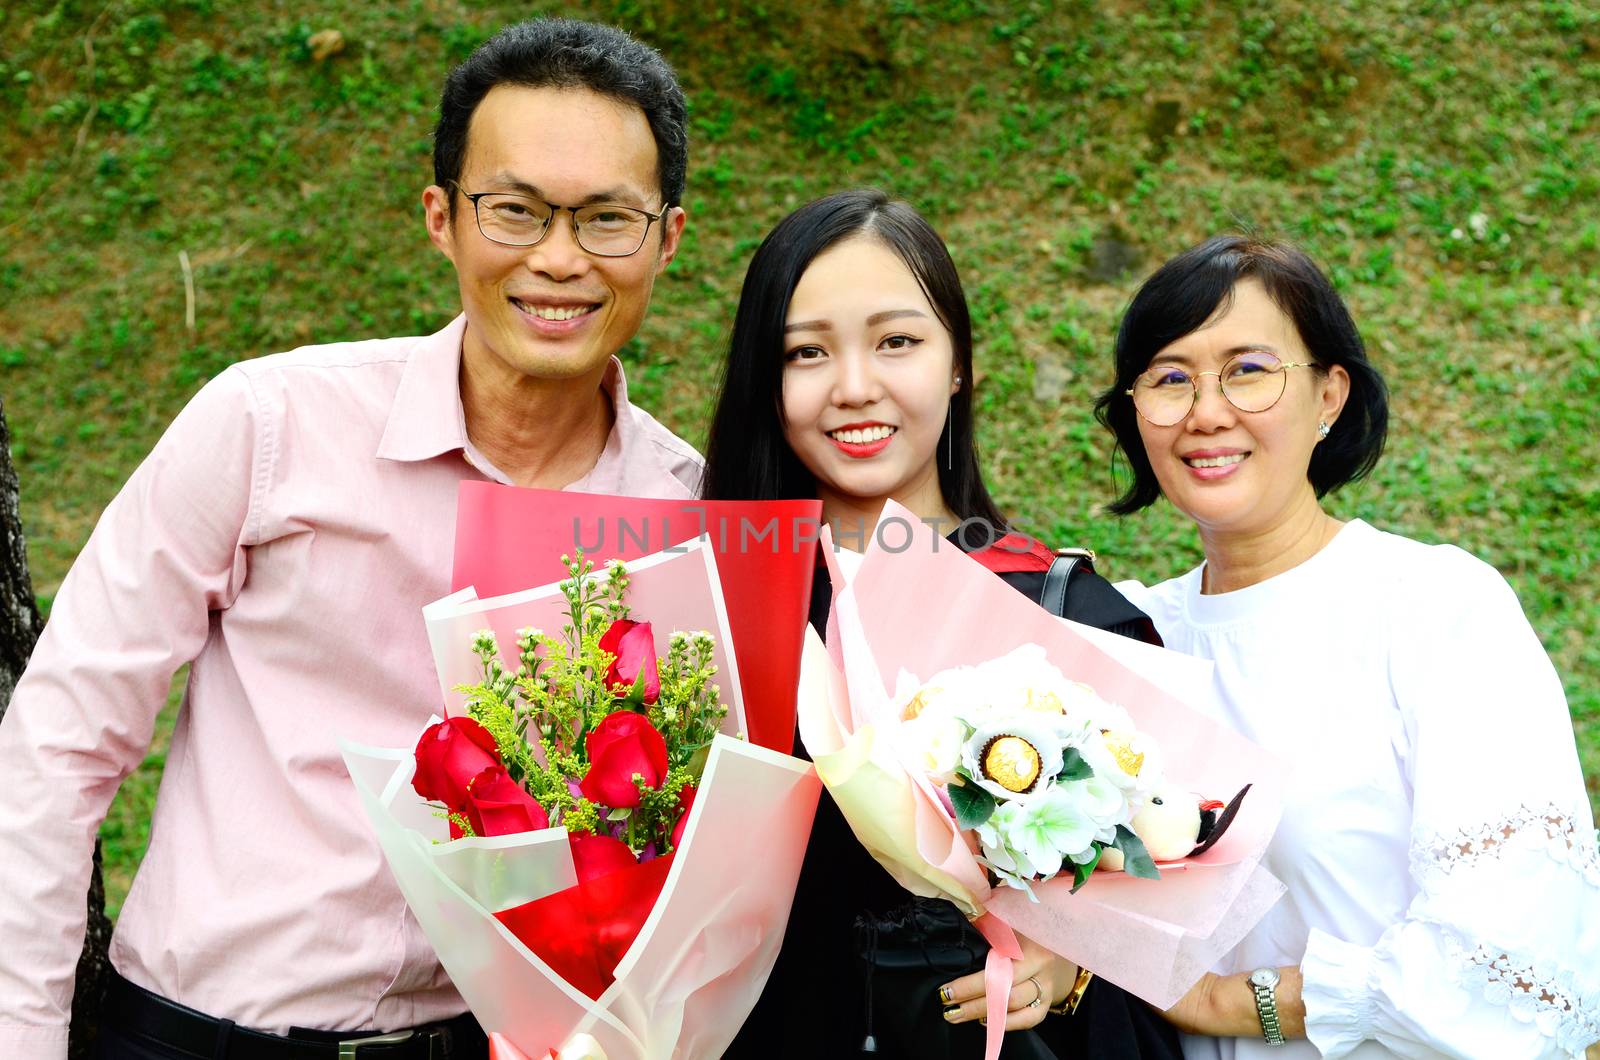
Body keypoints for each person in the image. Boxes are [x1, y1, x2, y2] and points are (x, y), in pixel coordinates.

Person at [0, 18, 702, 1060]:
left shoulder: (679, 512)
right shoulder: (269, 424)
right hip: (200, 1038)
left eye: (607, 219)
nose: (558, 258)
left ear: (666, 239)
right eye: (514, 210)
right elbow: (60, 741)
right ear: (442, 217)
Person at [702, 188, 1183, 1059]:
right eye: (806, 351)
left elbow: (1158, 968)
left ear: (958, 362)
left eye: (897, 341)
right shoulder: (708, 620)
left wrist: (1072, 969)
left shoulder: (1062, 615)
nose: (855, 387)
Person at [1094, 235, 1600, 1058]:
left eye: (1248, 369)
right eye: (1170, 378)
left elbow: (1514, 970)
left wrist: (1229, 1002)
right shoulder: (1126, 636)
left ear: (1330, 394)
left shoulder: (1433, 608)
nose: (1206, 411)